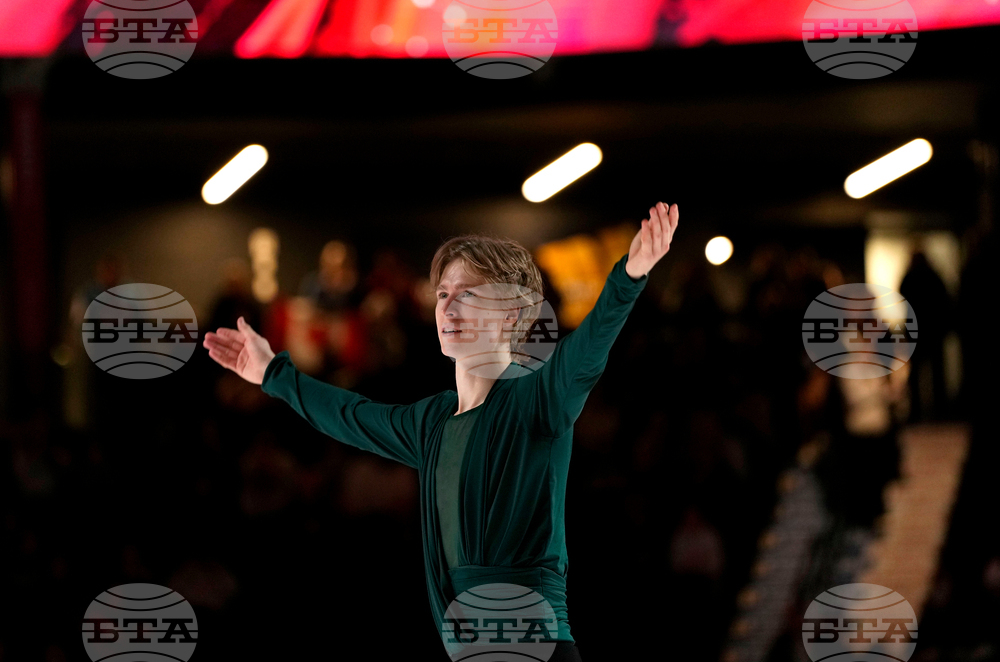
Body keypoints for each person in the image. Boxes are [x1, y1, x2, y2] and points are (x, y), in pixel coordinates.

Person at [203, 201, 681, 660]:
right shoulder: (431, 423)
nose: (448, 307)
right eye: (442, 294)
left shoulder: (536, 400)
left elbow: (589, 347)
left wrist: (630, 274)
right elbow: (350, 414)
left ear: (511, 314)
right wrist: (272, 373)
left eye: (468, 294)